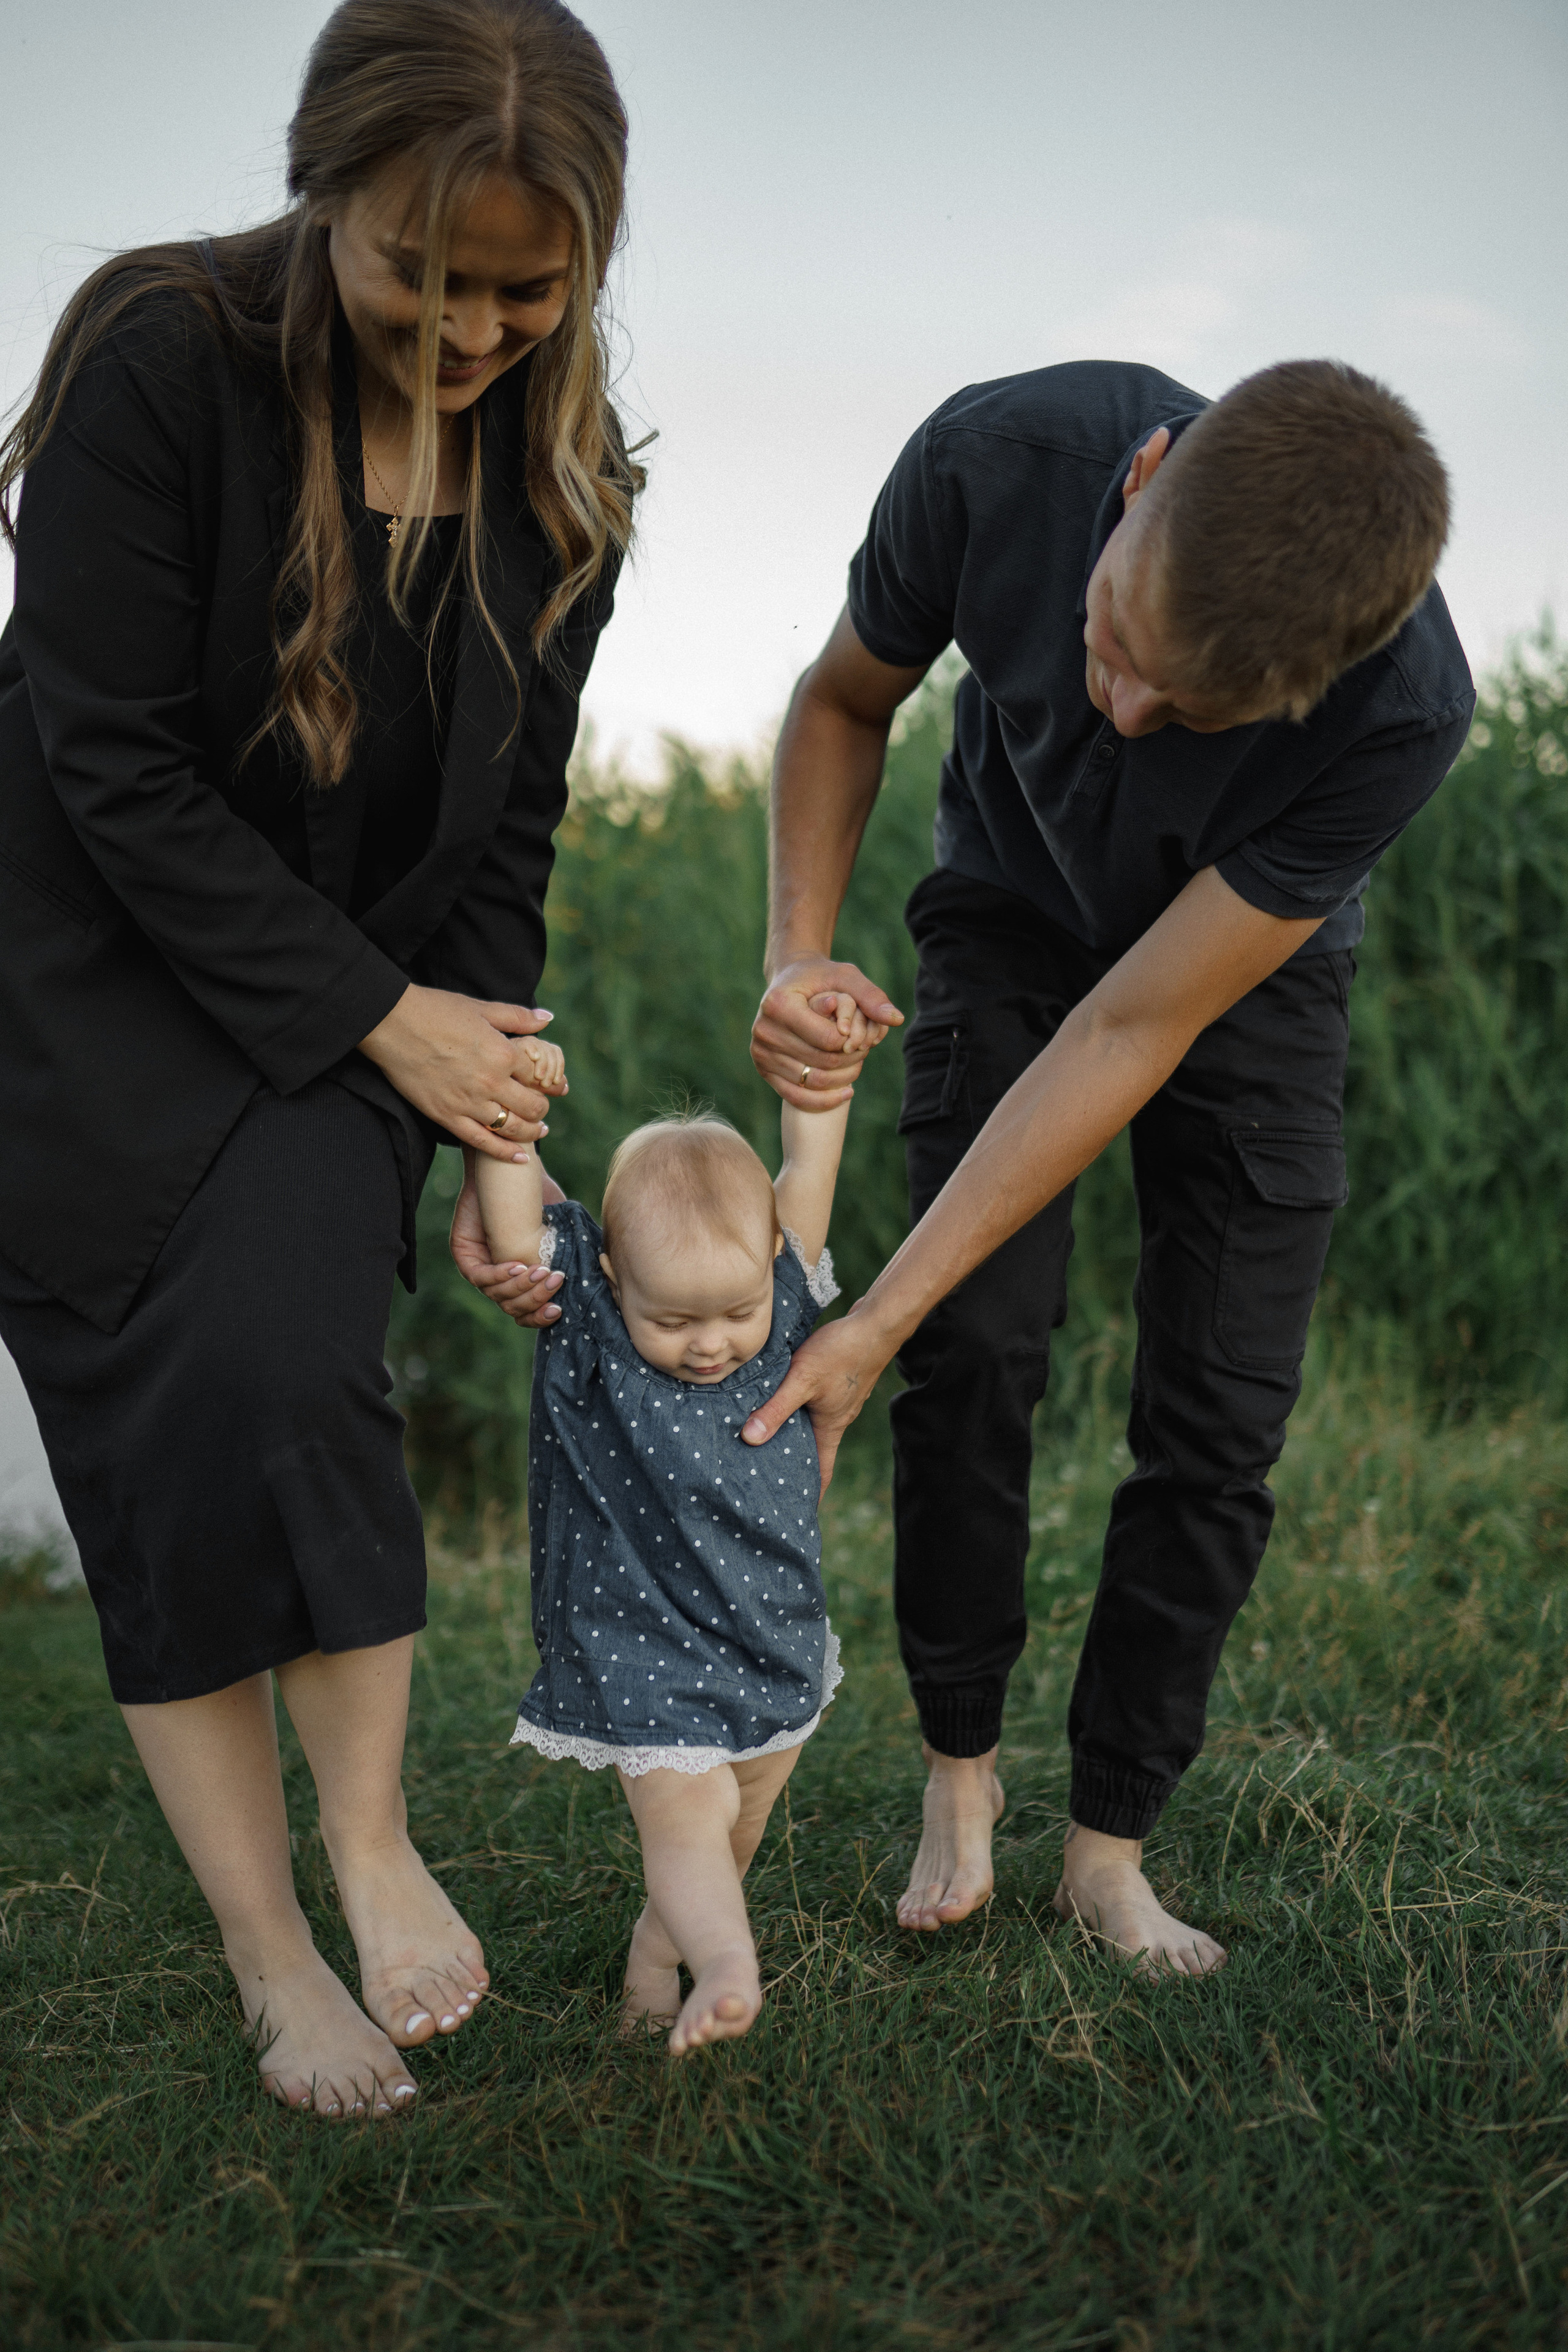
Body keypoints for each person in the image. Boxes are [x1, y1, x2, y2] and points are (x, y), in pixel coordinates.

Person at [0, 0, 637, 2116]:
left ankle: (367, 1845)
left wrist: (497, 1143)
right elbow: (100, 753)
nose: (466, 328)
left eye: (518, 288)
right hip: (79, 978)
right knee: (155, 1455)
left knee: (291, 1370)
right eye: (416, 271)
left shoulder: (563, 488)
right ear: (323, 193)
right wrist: (390, 1026)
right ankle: (277, 1965)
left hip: (349, 1005)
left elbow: (506, 836)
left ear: (590, 260)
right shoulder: (157, 357)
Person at [738, 358, 1474, 1972]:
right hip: (1006, 920)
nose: (1125, 716)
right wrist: (795, 955)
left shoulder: (1406, 709)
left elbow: (1135, 1029)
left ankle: (1110, 1846)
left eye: (1188, 713)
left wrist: (869, 1311)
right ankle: (958, 1774)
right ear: (1140, 477)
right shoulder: (996, 457)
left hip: (1239, 972)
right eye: (1114, 649)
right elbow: (845, 698)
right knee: (976, 1348)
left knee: (1218, 1414)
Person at [476, 1012, 861, 2054]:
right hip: (637, 1638)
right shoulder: (592, 1324)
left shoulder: (781, 1295)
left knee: (737, 1827)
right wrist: (510, 1108)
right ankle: (730, 1968)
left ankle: (657, 1965)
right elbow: (517, 1233)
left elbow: (809, 1147)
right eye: (674, 1321)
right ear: (610, 1279)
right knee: (687, 1824)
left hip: (773, 1633)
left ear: (775, 1260)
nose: (710, 1344)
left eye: (731, 1314)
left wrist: (823, 1071)